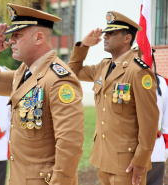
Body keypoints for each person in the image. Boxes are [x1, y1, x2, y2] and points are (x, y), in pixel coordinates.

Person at [0, 4, 84, 185]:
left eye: (17, 35)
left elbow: (70, 143)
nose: (11, 41)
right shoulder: (25, 72)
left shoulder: (59, 79)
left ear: (38, 38)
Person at [68, 11, 159, 185]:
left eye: (112, 33)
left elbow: (149, 121)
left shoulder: (138, 72)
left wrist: (141, 161)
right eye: (106, 32)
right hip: (103, 159)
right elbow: (73, 71)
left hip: (128, 163)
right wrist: (84, 46)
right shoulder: (102, 67)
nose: (105, 36)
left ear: (127, 38)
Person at [132, 44, 168, 185]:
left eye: (146, 54)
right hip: (128, 149)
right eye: (137, 54)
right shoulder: (123, 80)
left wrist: (165, 148)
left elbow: (167, 120)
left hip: (155, 149)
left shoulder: (163, 83)